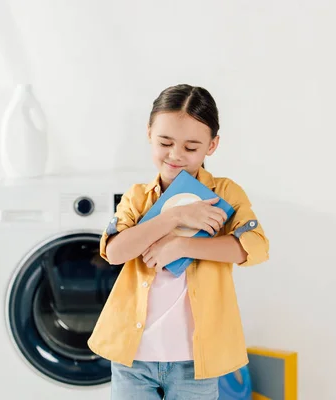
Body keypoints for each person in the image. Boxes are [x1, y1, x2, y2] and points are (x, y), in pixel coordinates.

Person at [87, 84, 269, 399]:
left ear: (212, 146)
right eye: (165, 142)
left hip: (195, 363)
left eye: (191, 147)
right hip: (133, 359)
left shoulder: (225, 194)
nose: (175, 155)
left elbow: (254, 245)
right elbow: (115, 252)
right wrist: (175, 217)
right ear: (149, 134)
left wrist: (182, 246)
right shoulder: (138, 196)